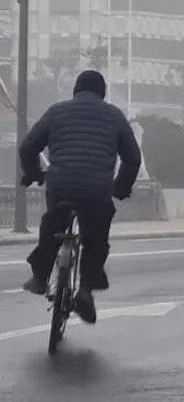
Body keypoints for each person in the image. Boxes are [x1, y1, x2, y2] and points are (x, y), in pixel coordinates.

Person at [19, 70, 142, 324]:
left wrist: (33, 173)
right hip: (97, 190)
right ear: (103, 93)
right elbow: (133, 158)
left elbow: (27, 147)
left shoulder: (57, 112)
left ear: (75, 90)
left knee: (53, 222)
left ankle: (41, 276)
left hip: (61, 185)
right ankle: (85, 290)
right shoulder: (114, 116)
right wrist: (120, 187)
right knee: (96, 239)